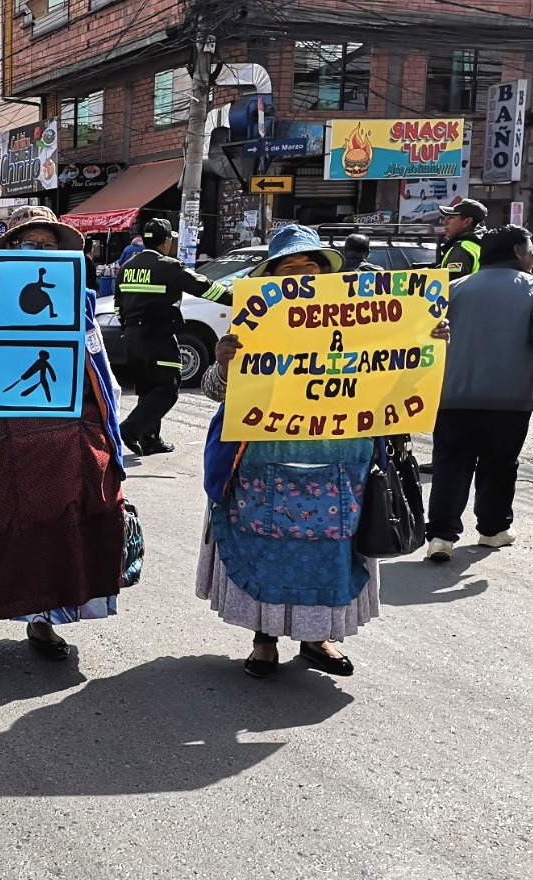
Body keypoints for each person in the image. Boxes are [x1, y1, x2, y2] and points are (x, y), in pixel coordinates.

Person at [198, 225, 450, 678]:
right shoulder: (249, 323)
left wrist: (425, 344)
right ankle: (264, 639)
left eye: (309, 266)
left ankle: (318, 639)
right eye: (288, 268)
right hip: (259, 461)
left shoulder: (364, 322)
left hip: (340, 463)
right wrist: (222, 364)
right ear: (271, 277)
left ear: (325, 273)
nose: (300, 276)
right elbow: (216, 393)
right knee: (264, 549)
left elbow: (395, 380)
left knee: (330, 552)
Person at [0, 206, 129, 661]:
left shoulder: (79, 302)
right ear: (8, 250)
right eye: (25, 244)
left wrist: (105, 436)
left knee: (57, 534)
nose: (37, 253)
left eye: (48, 246)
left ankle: (45, 622)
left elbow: (99, 374)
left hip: (62, 446)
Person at [424, 225, 533, 561]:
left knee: (450, 466)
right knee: (499, 467)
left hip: (453, 398)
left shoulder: (451, 290)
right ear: (517, 252)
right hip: (511, 401)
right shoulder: (531, 290)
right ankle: (493, 530)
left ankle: (441, 537)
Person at [115, 218, 227, 455]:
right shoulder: (167, 265)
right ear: (166, 241)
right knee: (167, 389)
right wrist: (240, 297)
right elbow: (204, 287)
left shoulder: (127, 267)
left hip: (132, 339)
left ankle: (150, 440)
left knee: (149, 390)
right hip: (158, 337)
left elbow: (118, 306)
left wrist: (128, 328)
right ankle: (131, 429)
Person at [438, 199, 487, 280]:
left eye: (451, 218)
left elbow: (452, 286)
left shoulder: (462, 249)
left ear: (467, 221)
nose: (444, 222)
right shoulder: (484, 243)